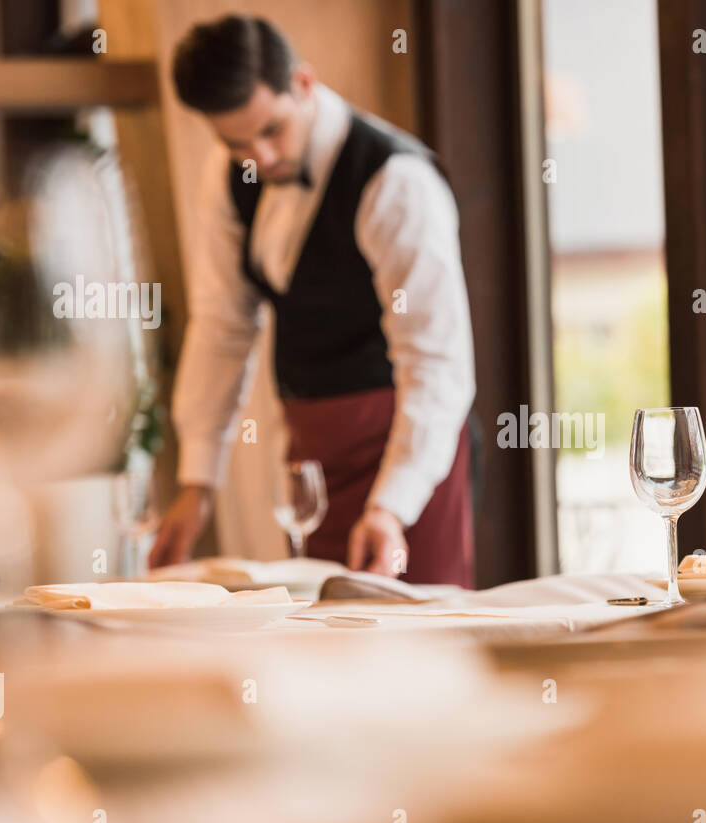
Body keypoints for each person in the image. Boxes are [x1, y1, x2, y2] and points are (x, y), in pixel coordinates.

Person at [148, 15, 475, 587]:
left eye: (271, 130)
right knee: (321, 637)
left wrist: (389, 507)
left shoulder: (394, 181)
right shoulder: (229, 176)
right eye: (236, 142)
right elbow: (222, 326)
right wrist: (197, 486)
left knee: (422, 644)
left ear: (302, 83)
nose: (261, 158)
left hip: (405, 445)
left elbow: (437, 364)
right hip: (312, 460)